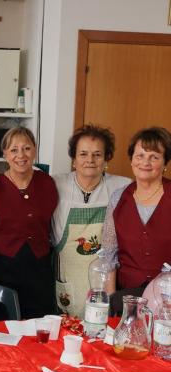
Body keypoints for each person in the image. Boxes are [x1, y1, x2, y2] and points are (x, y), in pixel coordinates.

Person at [52, 124, 131, 317]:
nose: (90, 160)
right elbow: (26, 177)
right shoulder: (55, 184)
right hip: (68, 275)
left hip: (105, 277)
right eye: (83, 154)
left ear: (106, 159)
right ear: (74, 159)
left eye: (97, 154)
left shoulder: (122, 187)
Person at [0, 126, 58, 319]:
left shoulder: (47, 183)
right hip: (3, 265)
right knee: (4, 321)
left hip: (39, 266)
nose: (21, 155)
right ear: (5, 155)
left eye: (26, 148)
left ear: (34, 150)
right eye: (13, 150)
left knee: (39, 323)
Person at [102, 126, 171, 307]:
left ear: (165, 164)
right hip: (126, 297)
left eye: (154, 157)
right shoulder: (118, 198)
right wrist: (111, 301)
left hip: (167, 300)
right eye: (139, 156)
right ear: (132, 160)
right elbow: (109, 255)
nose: (145, 162)